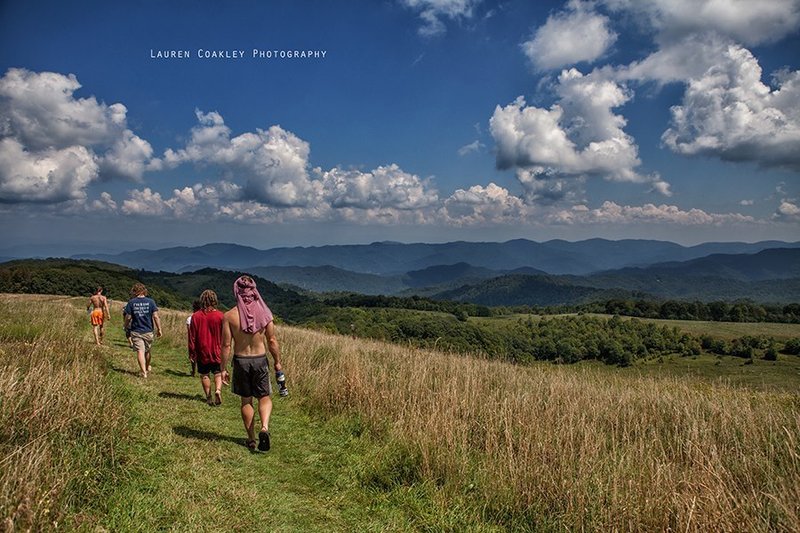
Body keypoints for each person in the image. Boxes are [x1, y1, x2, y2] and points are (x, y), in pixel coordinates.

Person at [222, 275, 283, 452]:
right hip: (260, 359)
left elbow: (226, 345)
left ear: (237, 291)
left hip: (241, 360)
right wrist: (277, 362)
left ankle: (250, 438)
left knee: (246, 400)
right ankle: (264, 427)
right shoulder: (265, 313)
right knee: (264, 397)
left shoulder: (229, 316)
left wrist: (223, 368)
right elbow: (272, 340)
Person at [188, 291, 225, 406]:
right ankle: (218, 390)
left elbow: (192, 336)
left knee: (204, 374)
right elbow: (225, 336)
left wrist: (192, 352)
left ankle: (208, 397)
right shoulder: (221, 316)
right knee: (217, 373)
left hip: (202, 350)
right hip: (217, 349)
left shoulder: (195, 316)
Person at [123, 283, 162, 378]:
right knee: (147, 351)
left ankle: (143, 372)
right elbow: (156, 317)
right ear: (144, 291)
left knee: (140, 350)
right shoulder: (151, 302)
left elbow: (128, 317)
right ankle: (147, 367)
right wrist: (159, 329)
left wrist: (125, 325)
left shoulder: (131, 302)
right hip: (148, 330)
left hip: (136, 330)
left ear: (135, 291)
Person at [186, 299, 202, 376]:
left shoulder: (190, 318)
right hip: (201, 338)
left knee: (193, 355)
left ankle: (193, 371)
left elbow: (189, 331)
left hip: (192, 339)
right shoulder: (203, 317)